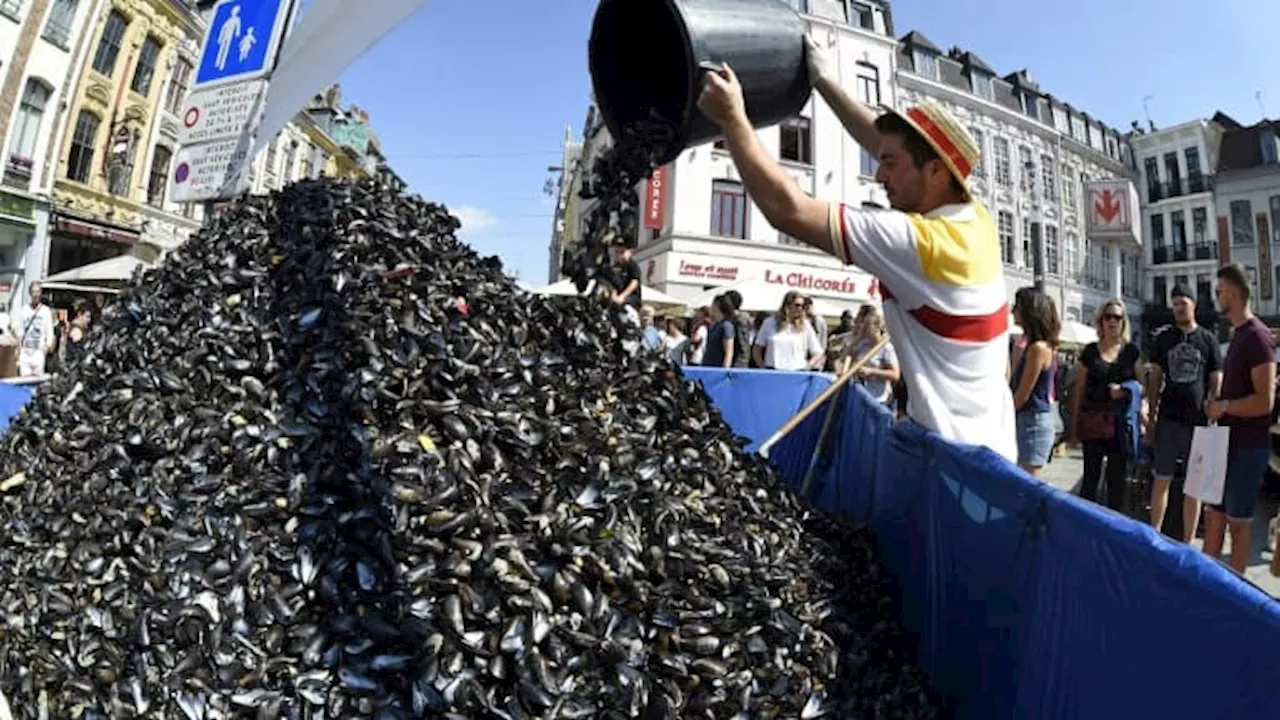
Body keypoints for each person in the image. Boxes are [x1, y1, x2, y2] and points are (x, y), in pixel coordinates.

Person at [696, 38, 1016, 461]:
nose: (879, 176)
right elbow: (883, 141)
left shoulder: (919, 242)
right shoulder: (972, 217)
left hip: (958, 465)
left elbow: (787, 209)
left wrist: (732, 118)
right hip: (989, 451)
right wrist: (825, 80)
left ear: (935, 171)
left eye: (890, 166)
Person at [1200, 264, 1276, 574]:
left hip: (1246, 448)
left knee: (1239, 525)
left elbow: (1265, 401)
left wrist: (1225, 406)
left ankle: (1235, 596)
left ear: (1231, 293)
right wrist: (1217, 405)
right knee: (1213, 519)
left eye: (1218, 291)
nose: (1216, 297)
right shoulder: (1238, 335)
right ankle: (1203, 585)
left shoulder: (1257, 336)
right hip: (1225, 444)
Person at [1145, 283, 1221, 538]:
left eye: (1182, 303)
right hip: (1168, 418)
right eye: (1174, 304)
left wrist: (1213, 402)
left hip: (1198, 421)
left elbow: (1215, 375)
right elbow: (1155, 376)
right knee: (1161, 478)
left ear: (1193, 305)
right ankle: (1154, 533)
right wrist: (1152, 413)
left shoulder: (1208, 339)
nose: (1178, 308)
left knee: (1194, 486)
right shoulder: (1164, 338)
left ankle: (1187, 541)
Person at [1069, 300, 1141, 512]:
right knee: (1090, 480)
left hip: (1120, 425)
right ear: (1100, 322)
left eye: (1117, 317)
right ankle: (1086, 527)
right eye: (1107, 317)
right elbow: (1078, 391)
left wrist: (1125, 390)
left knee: (1117, 483)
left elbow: (1141, 387)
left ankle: (1112, 531)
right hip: (1093, 422)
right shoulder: (1090, 352)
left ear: (1123, 322)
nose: (1112, 321)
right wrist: (1073, 430)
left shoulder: (1131, 353)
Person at [1009, 288, 1060, 476]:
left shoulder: (1038, 349)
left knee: (1028, 483)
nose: (1012, 311)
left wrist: (1003, 415)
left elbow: (1022, 394)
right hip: (1029, 418)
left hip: (1033, 421)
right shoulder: (1029, 345)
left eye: (1017, 307)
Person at [839, 305, 898, 406]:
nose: (863, 327)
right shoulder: (863, 344)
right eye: (863, 324)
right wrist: (857, 338)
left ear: (877, 327)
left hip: (879, 399)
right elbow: (844, 358)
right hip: (860, 395)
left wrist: (872, 372)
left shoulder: (886, 348)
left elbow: (895, 374)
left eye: (867, 325)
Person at [753, 291, 824, 370]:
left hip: (797, 371)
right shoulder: (769, 322)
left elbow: (817, 352)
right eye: (797, 305)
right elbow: (757, 349)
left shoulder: (805, 325)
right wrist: (762, 367)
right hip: (773, 370)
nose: (800, 308)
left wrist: (807, 366)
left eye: (803, 306)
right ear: (787, 305)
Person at [11, 282, 54, 377]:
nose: (36, 294)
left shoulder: (45, 311)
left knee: (37, 381)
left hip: (38, 353)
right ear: (30, 294)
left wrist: (47, 346)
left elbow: (49, 331)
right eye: (33, 292)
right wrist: (18, 349)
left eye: (38, 292)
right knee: (24, 379)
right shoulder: (23, 311)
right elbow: (20, 332)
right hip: (25, 353)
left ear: (41, 293)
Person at [700, 294, 738, 369]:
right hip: (707, 367)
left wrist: (724, 371)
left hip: (717, 368)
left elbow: (729, 352)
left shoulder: (726, 326)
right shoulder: (715, 325)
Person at [607, 243, 642, 324]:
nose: (619, 255)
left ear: (630, 252)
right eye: (617, 252)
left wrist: (622, 296)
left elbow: (634, 282)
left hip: (631, 300)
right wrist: (614, 296)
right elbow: (613, 285)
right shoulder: (614, 268)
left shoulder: (632, 265)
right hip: (617, 302)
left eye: (622, 252)